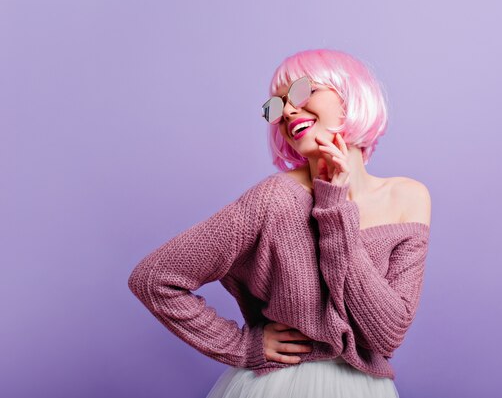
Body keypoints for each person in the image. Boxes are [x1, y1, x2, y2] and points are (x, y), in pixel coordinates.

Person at [127, 48, 431, 398]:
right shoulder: (273, 198)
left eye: (303, 91)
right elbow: (153, 278)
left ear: (348, 95)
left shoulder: (408, 198)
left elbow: (385, 335)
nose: (287, 110)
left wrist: (334, 209)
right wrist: (241, 345)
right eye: (276, 105)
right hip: (280, 386)